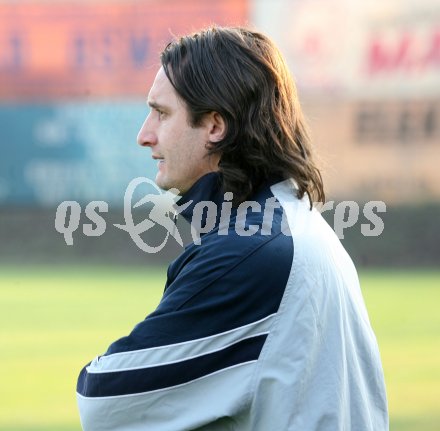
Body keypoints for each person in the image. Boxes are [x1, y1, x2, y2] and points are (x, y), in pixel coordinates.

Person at [77, 26, 388, 430]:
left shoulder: (249, 252)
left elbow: (103, 401)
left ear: (215, 126)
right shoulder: (297, 225)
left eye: (162, 113)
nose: (144, 135)